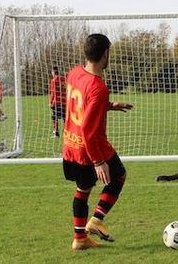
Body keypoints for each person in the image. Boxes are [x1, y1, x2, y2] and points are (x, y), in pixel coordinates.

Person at [62, 34, 133, 250]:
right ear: (106, 53)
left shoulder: (75, 73)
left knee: (83, 189)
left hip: (69, 146)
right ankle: (97, 220)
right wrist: (98, 161)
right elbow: (88, 130)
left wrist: (109, 105)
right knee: (118, 175)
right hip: (89, 149)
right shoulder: (98, 87)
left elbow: (82, 104)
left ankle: (80, 240)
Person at [50, 66, 66, 137]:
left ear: (53, 72)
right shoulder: (63, 79)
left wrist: (50, 102)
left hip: (57, 102)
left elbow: (53, 92)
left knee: (54, 117)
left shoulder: (53, 80)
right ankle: (66, 133)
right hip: (64, 101)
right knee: (64, 117)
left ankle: (56, 132)